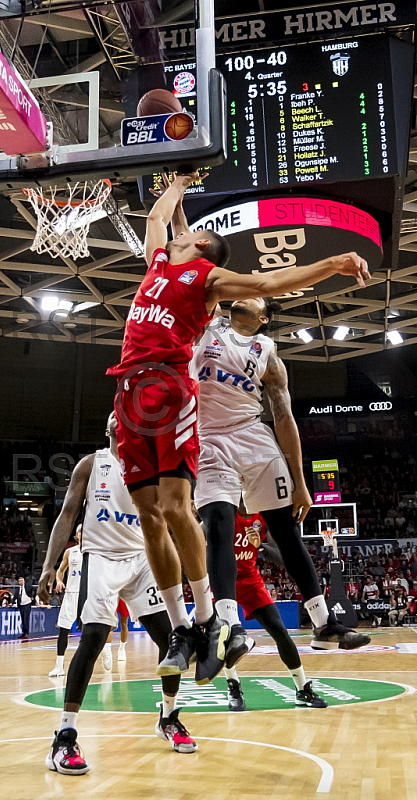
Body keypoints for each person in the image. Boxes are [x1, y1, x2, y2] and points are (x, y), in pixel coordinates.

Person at [106, 171, 370, 683]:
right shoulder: (158, 262)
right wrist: (178, 181)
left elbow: (270, 283)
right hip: (132, 390)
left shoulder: (209, 283)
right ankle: (192, 626)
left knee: (199, 513)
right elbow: (159, 217)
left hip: (187, 398)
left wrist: (333, 263)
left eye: (188, 236)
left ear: (200, 247)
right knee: (150, 512)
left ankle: (250, 620)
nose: (175, 235)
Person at [190, 295, 370, 651]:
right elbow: (198, 272)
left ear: (264, 317)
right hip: (208, 437)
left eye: (254, 297)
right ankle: (227, 626)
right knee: (218, 524)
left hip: (254, 435)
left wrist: (301, 484)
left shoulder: (269, 356)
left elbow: (285, 418)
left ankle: (324, 624)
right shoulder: (209, 323)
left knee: (285, 532)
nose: (243, 294)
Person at [39, 414, 197, 776]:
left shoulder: (152, 466)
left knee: (170, 638)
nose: (120, 417)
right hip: (101, 557)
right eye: (115, 415)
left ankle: (168, 717)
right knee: (94, 636)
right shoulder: (91, 464)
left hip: (142, 557)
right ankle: (64, 735)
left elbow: (172, 516)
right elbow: (67, 514)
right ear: (109, 428)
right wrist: (49, 566)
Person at [224, 509, 327, 711]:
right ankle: (233, 687)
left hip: (251, 581)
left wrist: (260, 547)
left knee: (280, 631)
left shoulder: (261, 519)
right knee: (226, 638)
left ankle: (302, 689)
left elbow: (283, 557)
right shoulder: (223, 513)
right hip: (224, 582)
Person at [49, 525, 83, 678]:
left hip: (87, 595)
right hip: (70, 594)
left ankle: (105, 651)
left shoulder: (94, 551)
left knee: (91, 632)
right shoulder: (70, 552)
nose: (83, 533)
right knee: (63, 630)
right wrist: (58, 581)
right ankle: (59, 666)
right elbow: (60, 570)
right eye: (80, 531)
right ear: (76, 535)